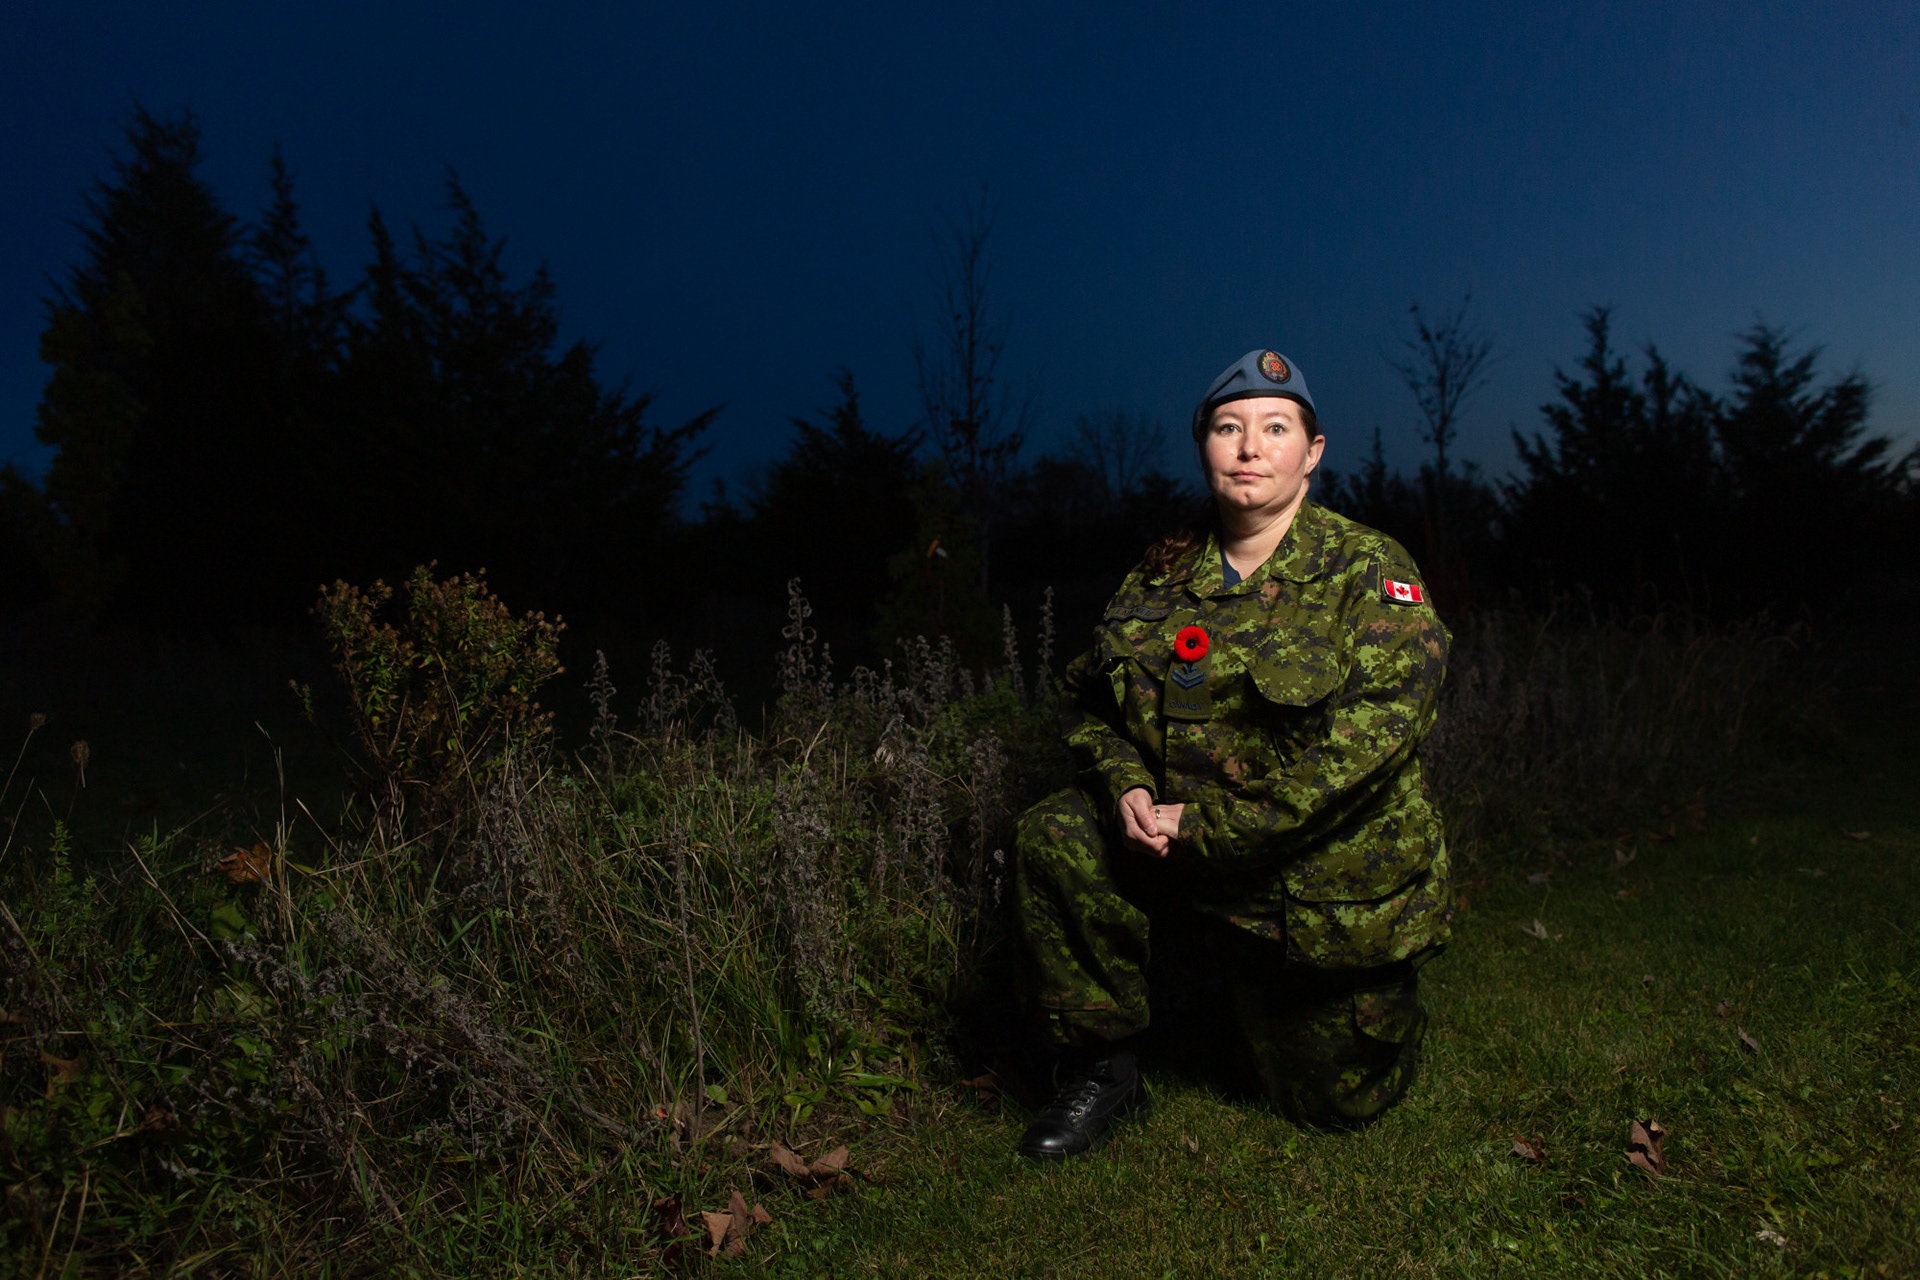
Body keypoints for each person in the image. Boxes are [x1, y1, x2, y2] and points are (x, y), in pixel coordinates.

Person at [1012, 348, 1453, 1160]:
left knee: (1332, 1105)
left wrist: (1207, 828)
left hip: (1309, 880)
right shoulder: (1158, 576)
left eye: (1275, 428)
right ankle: (1103, 1065)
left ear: (1312, 454)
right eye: (1228, 428)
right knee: (1055, 834)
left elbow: (1359, 763)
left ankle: (1352, 997)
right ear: (1205, 447)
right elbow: (1090, 707)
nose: (1250, 448)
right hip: (1176, 858)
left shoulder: (1371, 574)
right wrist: (1124, 788)